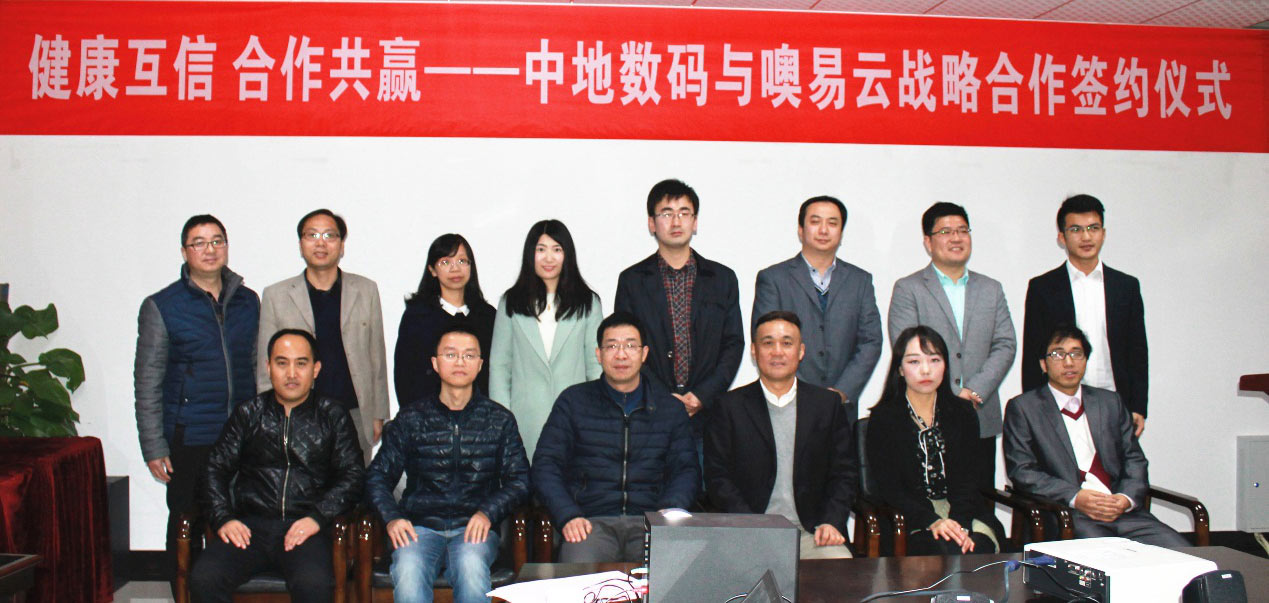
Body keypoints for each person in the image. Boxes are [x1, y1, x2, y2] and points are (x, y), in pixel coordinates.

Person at [191, 329, 364, 602]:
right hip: (250, 528)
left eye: (301, 363)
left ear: (316, 369)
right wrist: (223, 518)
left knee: (313, 584)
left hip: (306, 527)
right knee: (205, 578)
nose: (291, 374)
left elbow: (353, 475)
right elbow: (213, 469)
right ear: (268, 367)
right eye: (282, 363)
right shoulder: (248, 414)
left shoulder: (333, 415)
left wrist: (317, 517)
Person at [133, 214, 259, 591]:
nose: (209, 250)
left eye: (217, 241)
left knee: (238, 522)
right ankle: (185, 595)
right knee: (186, 524)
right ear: (184, 251)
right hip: (189, 435)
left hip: (240, 434)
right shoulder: (162, 306)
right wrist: (154, 446)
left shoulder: (248, 302)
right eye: (199, 243)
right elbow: (147, 381)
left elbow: (256, 367)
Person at [367, 324, 530, 603]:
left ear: (480, 365)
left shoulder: (499, 420)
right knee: (408, 569)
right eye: (451, 354)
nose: (460, 362)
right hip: (419, 527)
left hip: (474, 528)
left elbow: (521, 480)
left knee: (470, 566)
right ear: (435, 363)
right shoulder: (411, 419)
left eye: (469, 355)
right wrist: (392, 518)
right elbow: (377, 476)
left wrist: (487, 512)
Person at [532, 312, 698, 563]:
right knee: (577, 570)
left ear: (644, 354)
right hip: (589, 522)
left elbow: (686, 469)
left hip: (650, 522)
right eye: (612, 346)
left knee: (674, 570)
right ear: (598, 354)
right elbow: (546, 465)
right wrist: (568, 514)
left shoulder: (670, 409)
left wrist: (670, 509)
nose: (621, 355)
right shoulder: (573, 402)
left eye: (630, 346)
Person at [1003, 323, 1186, 547]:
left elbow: (1134, 459)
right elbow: (1022, 471)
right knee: (1109, 556)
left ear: (1086, 360)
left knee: (1183, 552)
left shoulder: (1110, 402)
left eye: (1076, 354)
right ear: (1043, 364)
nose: (1068, 362)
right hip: (1069, 515)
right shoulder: (1024, 408)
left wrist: (1125, 499)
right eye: (1058, 354)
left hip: (1123, 512)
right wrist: (1076, 497)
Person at [705, 311, 857, 559]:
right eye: (768, 343)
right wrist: (751, 524)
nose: (777, 352)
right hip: (750, 534)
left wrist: (831, 521)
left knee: (839, 565)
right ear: (754, 351)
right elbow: (717, 477)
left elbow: (844, 474)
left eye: (787, 343)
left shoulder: (826, 405)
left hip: (812, 533)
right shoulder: (729, 407)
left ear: (801, 351)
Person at [888, 202, 1016, 491]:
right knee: (930, 503)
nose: (956, 238)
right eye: (946, 231)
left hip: (979, 415)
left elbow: (1005, 344)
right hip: (925, 418)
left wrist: (974, 391)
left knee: (979, 501)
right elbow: (906, 349)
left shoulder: (991, 289)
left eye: (962, 230)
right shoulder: (909, 288)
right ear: (928, 242)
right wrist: (949, 397)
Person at [615, 178, 744, 440]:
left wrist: (703, 395)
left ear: (695, 222)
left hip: (709, 414)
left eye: (684, 213)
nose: (676, 222)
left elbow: (733, 344)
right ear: (652, 223)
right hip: (649, 412)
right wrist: (663, 396)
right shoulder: (632, 280)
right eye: (666, 214)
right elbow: (627, 345)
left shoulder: (722, 279)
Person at [256, 208, 388, 463]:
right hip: (298, 413)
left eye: (329, 235)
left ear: (341, 245)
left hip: (354, 413)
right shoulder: (276, 295)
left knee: (355, 484)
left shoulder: (366, 290)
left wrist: (378, 414)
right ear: (301, 244)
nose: (321, 243)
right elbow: (266, 367)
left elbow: (377, 357)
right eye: (312, 235)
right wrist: (271, 419)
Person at [866, 325, 1005, 556]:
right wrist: (933, 521)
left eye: (934, 360)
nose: (925, 370)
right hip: (911, 516)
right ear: (900, 369)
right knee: (942, 550)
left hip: (964, 510)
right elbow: (890, 488)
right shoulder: (884, 418)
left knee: (975, 548)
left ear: (945, 365)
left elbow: (970, 479)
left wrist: (959, 524)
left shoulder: (963, 412)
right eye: (914, 362)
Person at [1022, 194, 1149, 437]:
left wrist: (1138, 407)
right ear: (1062, 237)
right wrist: (1033, 412)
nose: (1086, 237)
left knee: (1115, 463)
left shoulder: (1126, 286)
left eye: (1093, 228)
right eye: (1076, 229)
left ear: (1104, 233)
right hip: (1061, 403)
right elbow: (1033, 354)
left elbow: (1137, 352)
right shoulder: (1043, 288)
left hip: (1115, 402)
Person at [752, 195, 882, 421]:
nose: (823, 230)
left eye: (832, 223)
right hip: (786, 404)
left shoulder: (860, 281)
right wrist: (804, 395)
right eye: (815, 221)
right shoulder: (773, 279)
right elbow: (766, 340)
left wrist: (841, 392)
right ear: (801, 230)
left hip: (841, 409)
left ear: (841, 233)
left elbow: (870, 341)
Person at [490, 219, 602, 459]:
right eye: (541, 249)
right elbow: (500, 366)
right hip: (524, 422)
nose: (548, 258)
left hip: (575, 421)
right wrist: (502, 421)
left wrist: (595, 417)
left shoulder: (588, 303)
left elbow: (595, 366)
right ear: (530, 254)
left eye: (556, 249)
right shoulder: (510, 302)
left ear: (567, 255)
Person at [395, 234, 496, 404]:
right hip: (427, 415)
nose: (455, 269)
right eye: (445, 262)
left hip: (480, 414)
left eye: (462, 261)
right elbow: (405, 375)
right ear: (432, 270)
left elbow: (494, 373)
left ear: (471, 267)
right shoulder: (417, 317)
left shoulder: (487, 316)